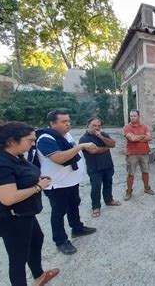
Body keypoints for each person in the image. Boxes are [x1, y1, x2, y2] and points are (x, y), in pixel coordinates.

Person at [0, 120, 59, 286]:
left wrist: (35, 179)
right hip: (11, 219)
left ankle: (39, 277)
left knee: (36, 240)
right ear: (12, 141)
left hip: (25, 214)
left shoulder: (14, 155)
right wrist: (38, 186)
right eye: (30, 140)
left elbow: (22, 176)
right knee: (18, 259)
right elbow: (8, 198)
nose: (33, 144)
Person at [36, 109, 97, 255]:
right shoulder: (46, 139)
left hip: (70, 181)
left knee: (73, 205)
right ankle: (61, 240)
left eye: (68, 121)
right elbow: (59, 158)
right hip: (57, 184)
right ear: (52, 123)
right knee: (58, 213)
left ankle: (77, 228)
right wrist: (81, 146)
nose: (68, 124)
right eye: (64, 122)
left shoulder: (65, 135)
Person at [79, 117, 120, 218]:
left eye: (98, 126)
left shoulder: (103, 134)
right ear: (88, 125)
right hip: (94, 168)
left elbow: (113, 144)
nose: (96, 128)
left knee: (108, 184)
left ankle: (109, 200)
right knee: (96, 188)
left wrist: (101, 137)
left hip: (108, 166)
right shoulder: (84, 139)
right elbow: (94, 151)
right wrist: (106, 147)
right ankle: (96, 207)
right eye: (94, 125)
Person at [123, 109, 154, 201]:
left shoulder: (144, 127)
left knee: (145, 171)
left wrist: (136, 138)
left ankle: (147, 188)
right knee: (131, 174)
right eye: (131, 116)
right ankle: (129, 191)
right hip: (132, 154)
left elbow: (149, 137)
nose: (132, 118)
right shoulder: (127, 127)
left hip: (144, 153)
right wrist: (143, 136)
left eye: (134, 116)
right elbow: (131, 139)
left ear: (138, 116)